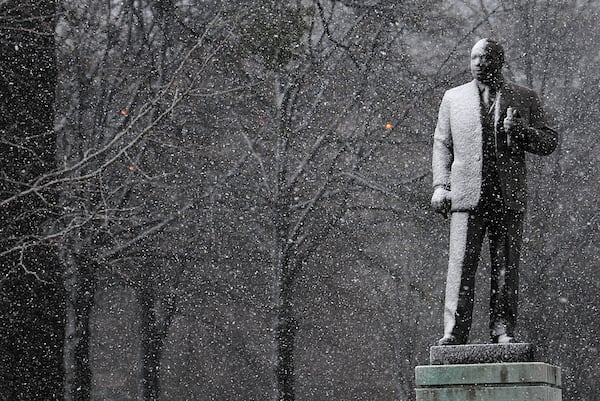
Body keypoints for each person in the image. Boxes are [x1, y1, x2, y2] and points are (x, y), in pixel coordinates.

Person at [431, 38, 558, 345]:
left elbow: (549, 140)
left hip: (506, 195)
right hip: (464, 195)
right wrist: (440, 185)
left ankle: (502, 331)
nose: (477, 63)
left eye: (484, 57)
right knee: (460, 265)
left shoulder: (524, 96)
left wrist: (523, 133)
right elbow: (442, 144)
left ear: (499, 61)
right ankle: (454, 333)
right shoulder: (453, 98)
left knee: (506, 267)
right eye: (474, 57)